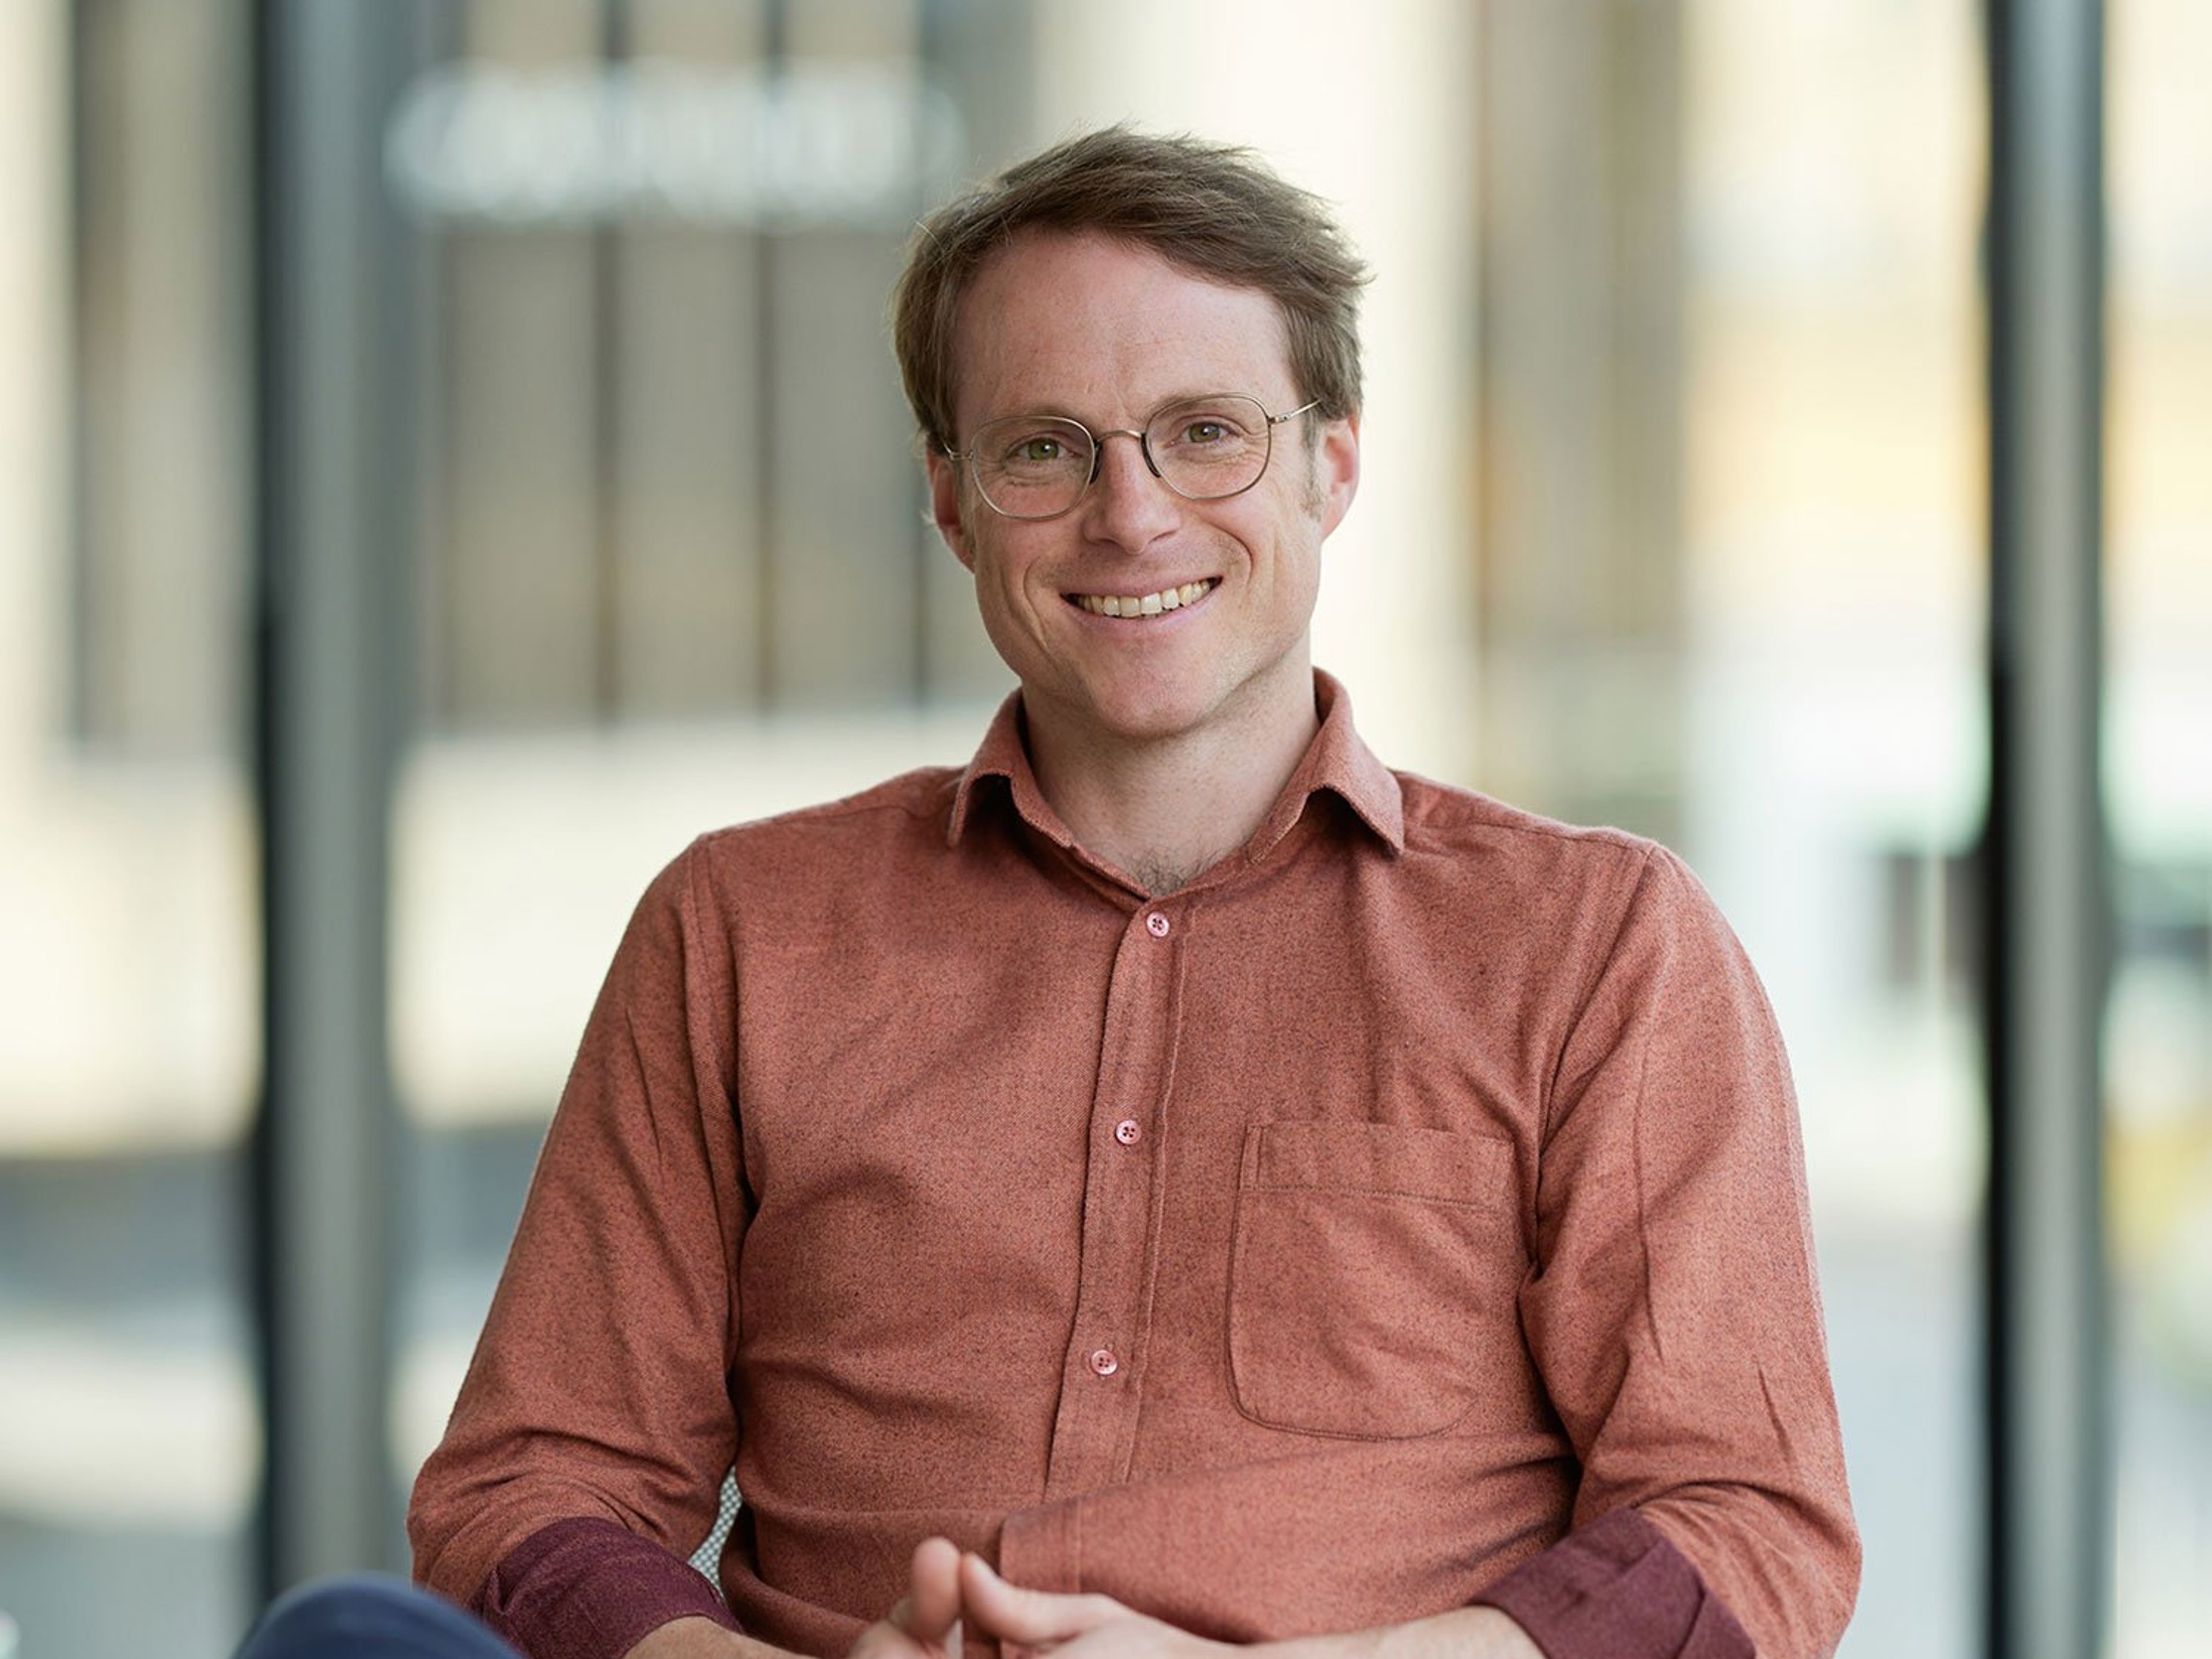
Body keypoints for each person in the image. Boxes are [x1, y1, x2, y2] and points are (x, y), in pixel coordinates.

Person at [294, 127, 1857, 1659]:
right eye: (1046, 447)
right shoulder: (740, 932)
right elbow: (527, 1491)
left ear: (1332, 462)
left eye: (1206, 431)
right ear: (951, 498)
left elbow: (1743, 1532)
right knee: (339, 1643)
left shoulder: (1597, 949)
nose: (1132, 515)